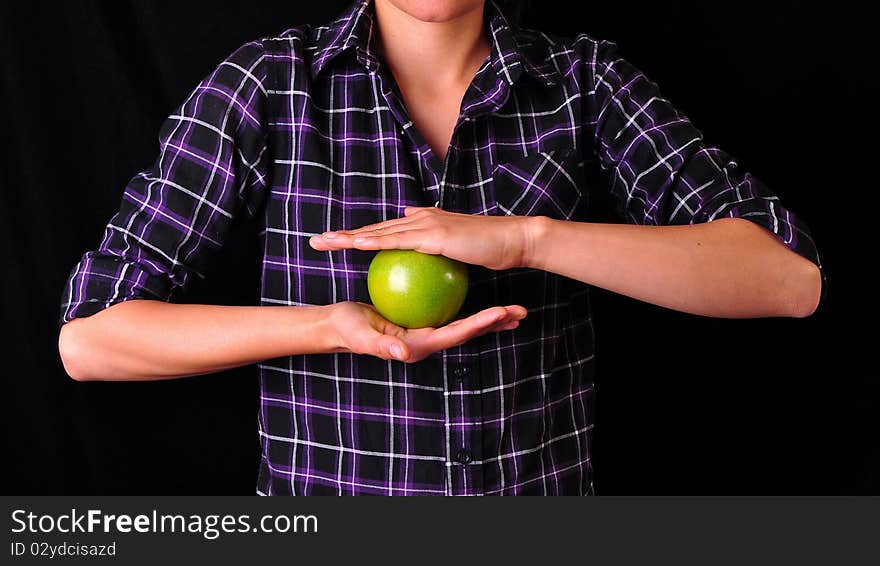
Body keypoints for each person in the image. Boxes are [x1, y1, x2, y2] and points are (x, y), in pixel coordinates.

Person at [58, 0, 824, 496]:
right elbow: (92, 340)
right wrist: (328, 327)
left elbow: (786, 281)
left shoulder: (585, 84)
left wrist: (528, 240)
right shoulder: (270, 86)